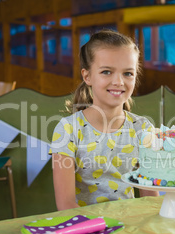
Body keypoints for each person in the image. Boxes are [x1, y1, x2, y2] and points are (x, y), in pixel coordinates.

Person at [49, 29, 159, 210]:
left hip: (130, 227)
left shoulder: (142, 128)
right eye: (107, 72)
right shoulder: (68, 129)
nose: (118, 81)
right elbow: (66, 204)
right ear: (87, 76)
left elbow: (150, 200)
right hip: (87, 229)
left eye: (128, 73)